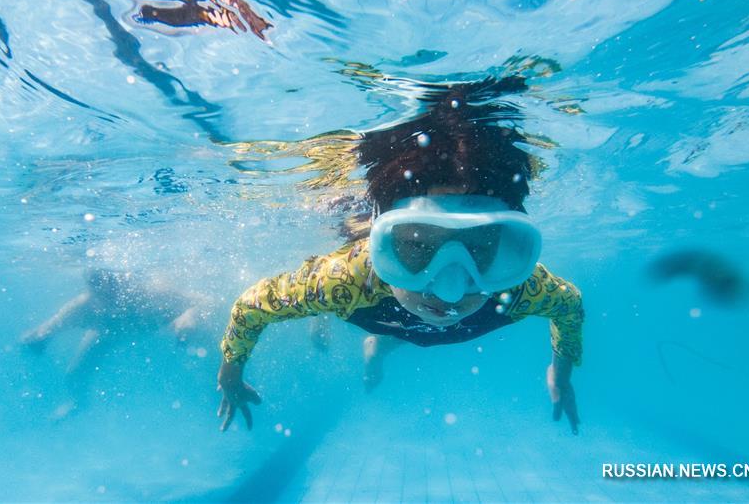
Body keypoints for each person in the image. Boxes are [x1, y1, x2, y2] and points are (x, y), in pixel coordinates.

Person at [215, 76, 584, 434]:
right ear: (377, 240)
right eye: (419, 245)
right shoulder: (348, 280)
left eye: (480, 247)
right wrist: (229, 375)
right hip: (377, 304)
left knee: (413, 324)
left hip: (388, 314)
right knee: (356, 304)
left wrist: (561, 373)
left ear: (508, 244)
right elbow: (250, 306)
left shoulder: (519, 285)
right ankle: (329, 318)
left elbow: (571, 307)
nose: (450, 290)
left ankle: (375, 343)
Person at [22, 267, 201, 417]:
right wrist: (38, 336)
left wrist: (188, 316)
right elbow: (48, 328)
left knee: (187, 328)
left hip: (158, 325)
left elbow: (202, 301)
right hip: (109, 334)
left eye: (110, 285)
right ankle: (78, 403)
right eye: (96, 286)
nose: (106, 292)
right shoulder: (84, 306)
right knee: (74, 374)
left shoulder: (153, 293)